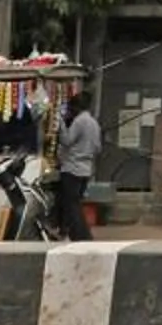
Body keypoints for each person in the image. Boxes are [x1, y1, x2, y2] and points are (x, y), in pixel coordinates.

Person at [54, 88, 101, 242]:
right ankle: (78, 234)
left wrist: (60, 124)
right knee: (76, 203)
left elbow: (67, 140)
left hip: (72, 168)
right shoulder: (94, 123)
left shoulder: (80, 121)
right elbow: (97, 147)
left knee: (71, 205)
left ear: (76, 107)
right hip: (86, 169)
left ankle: (81, 235)